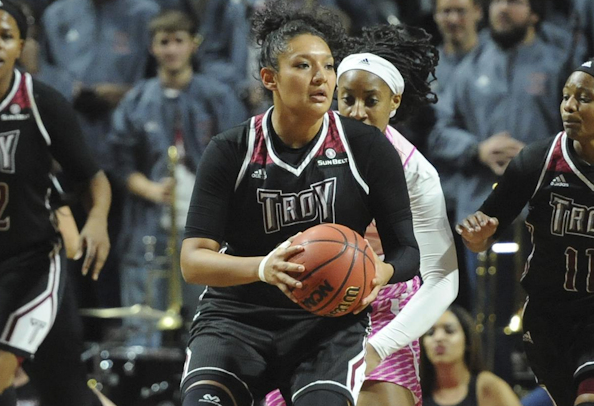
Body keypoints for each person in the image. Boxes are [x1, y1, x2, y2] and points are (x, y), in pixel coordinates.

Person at [179, 1, 420, 405]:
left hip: (327, 327)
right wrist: (263, 268)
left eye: (328, 66)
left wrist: (380, 272)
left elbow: (408, 250)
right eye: (303, 66)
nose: (321, 77)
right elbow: (193, 261)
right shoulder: (230, 150)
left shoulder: (367, 148)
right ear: (269, 78)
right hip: (237, 319)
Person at [331, 23, 460, 406]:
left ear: (395, 102)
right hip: (307, 311)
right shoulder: (302, 150)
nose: (357, 112)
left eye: (371, 101)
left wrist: (379, 347)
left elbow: (443, 278)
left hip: (384, 314)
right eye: (347, 99)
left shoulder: (416, 172)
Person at [456, 59, 594, 406]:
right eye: (565, 96)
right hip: (549, 316)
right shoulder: (538, 161)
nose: (569, 106)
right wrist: (477, 236)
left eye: (584, 98)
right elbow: (484, 230)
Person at [108, 9, 248, 347]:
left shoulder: (218, 97)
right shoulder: (136, 101)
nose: (171, 49)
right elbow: (118, 161)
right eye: (164, 42)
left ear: (193, 44)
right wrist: (149, 189)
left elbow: (240, 156)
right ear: (152, 47)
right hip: (148, 225)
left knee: (207, 324)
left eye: (178, 41)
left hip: (207, 228)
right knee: (142, 326)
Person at [0, 2, 111, 406]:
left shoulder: (41, 102)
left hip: (31, 265)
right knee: (64, 393)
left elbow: (92, 178)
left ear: (21, 46)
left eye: (5, 36)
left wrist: (96, 220)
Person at [420, 305, 522, 406]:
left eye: (449, 331)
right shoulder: (417, 392)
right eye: (430, 333)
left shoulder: (487, 386)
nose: (438, 338)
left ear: (467, 341)